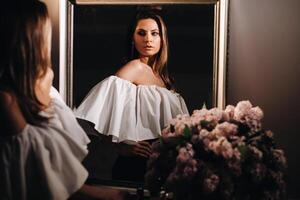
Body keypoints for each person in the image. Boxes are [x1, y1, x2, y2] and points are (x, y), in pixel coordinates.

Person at [0, 1, 125, 199]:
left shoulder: (49, 90)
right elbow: (37, 172)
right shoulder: (6, 101)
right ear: (31, 38)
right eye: (46, 31)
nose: (49, 39)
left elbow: (57, 172)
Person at [75, 10, 189, 181]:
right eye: (141, 33)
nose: (148, 39)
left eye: (154, 33)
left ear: (162, 39)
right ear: (132, 38)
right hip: (136, 164)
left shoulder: (164, 78)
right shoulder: (133, 68)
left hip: (162, 166)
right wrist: (120, 147)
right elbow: (96, 113)